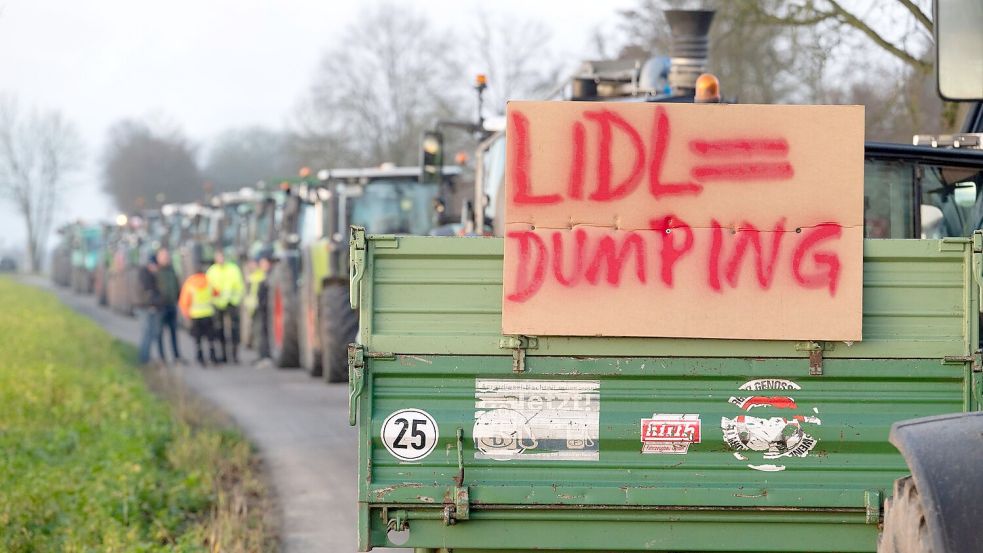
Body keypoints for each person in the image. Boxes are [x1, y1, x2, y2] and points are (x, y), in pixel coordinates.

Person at [206, 250, 245, 363]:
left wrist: (236, 299)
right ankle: (223, 355)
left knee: (234, 330)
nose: (220, 260)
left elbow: (239, 285)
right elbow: (209, 288)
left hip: (232, 303)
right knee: (220, 330)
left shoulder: (233, 269)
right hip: (218, 304)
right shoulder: (212, 271)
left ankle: (234, 355)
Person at [178, 263, 219, 367]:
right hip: (208, 314)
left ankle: (200, 357)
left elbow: (184, 301)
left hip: (195, 316)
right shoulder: (208, 281)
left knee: (198, 339)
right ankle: (213, 357)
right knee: (210, 338)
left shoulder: (190, 283)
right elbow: (216, 293)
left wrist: (186, 314)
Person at [155, 248, 185, 364]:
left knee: (173, 333)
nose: (166, 258)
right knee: (160, 333)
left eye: (167, 256)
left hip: (172, 305)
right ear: (159, 258)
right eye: (163, 256)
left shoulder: (172, 270)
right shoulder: (156, 272)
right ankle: (162, 357)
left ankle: (176, 356)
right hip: (161, 307)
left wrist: (178, 298)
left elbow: (176, 285)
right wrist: (158, 301)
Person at [248, 254, 273, 368]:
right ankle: (261, 356)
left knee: (263, 334)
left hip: (263, 309)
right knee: (259, 334)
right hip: (256, 309)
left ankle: (265, 357)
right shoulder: (256, 276)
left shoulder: (263, 276)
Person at [137, 253, 162, 365]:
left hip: (149, 307)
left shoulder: (147, 274)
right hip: (146, 308)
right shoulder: (145, 275)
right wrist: (152, 303)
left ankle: (146, 357)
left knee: (150, 333)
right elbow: (148, 293)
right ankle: (144, 359)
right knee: (147, 333)